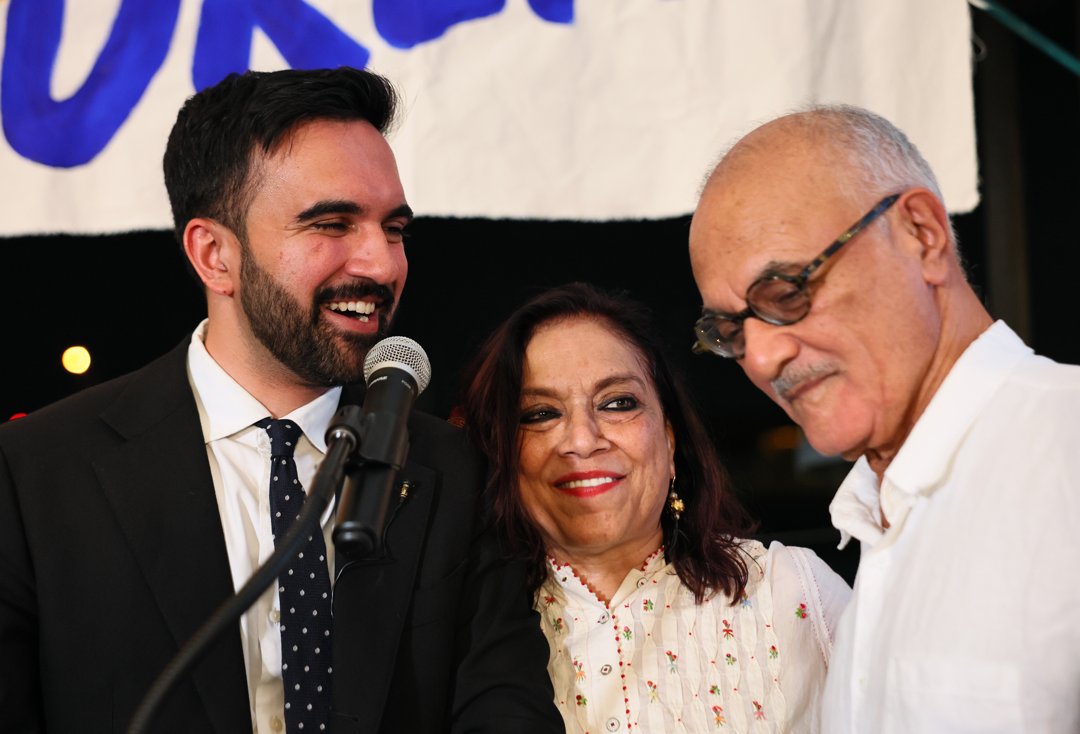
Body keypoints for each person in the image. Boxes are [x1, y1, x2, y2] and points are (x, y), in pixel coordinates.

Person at [0, 67, 562, 734]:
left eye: (394, 228)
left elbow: (507, 710)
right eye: (332, 223)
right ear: (214, 255)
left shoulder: (457, 472)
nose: (381, 264)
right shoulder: (36, 473)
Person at [687, 103, 1080, 733]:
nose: (761, 357)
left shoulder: (1064, 446)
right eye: (731, 330)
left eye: (787, 293)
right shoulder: (876, 523)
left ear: (922, 235)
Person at [459, 281, 852, 733]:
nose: (582, 440)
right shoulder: (466, 632)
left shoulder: (790, 591)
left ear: (669, 438)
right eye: (540, 414)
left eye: (617, 404)